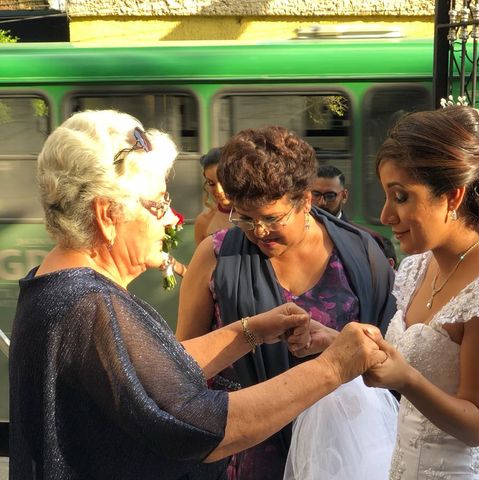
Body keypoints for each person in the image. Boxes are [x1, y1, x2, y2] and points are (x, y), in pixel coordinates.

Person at [9, 110, 388, 480]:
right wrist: (332, 367)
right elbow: (199, 423)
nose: (173, 219)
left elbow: (155, 374)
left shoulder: (59, 286)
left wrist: (247, 332)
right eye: (158, 204)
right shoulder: (91, 306)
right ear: (107, 215)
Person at [288, 105, 479, 479]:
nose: (387, 215)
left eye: (401, 197)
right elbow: (403, 359)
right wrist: (334, 342)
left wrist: (405, 379)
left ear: (453, 197)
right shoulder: (420, 266)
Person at [176, 125, 396, 480]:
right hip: (247, 448)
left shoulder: (361, 254)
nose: (259, 231)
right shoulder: (215, 256)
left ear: (306, 200)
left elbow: (391, 352)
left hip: (341, 449)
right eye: (245, 218)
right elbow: (185, 362)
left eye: (271, 218)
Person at [311, 164, 397, 267]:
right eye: (316, 194)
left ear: (344, 196)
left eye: (330, 196)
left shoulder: (367, 241)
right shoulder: (295, 236)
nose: (322, 202)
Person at [194, 148, 232, 245]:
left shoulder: (253, 216)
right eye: (212, 183)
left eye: (223, 181)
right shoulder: (203, 220)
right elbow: (199, 260)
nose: (219, 190)